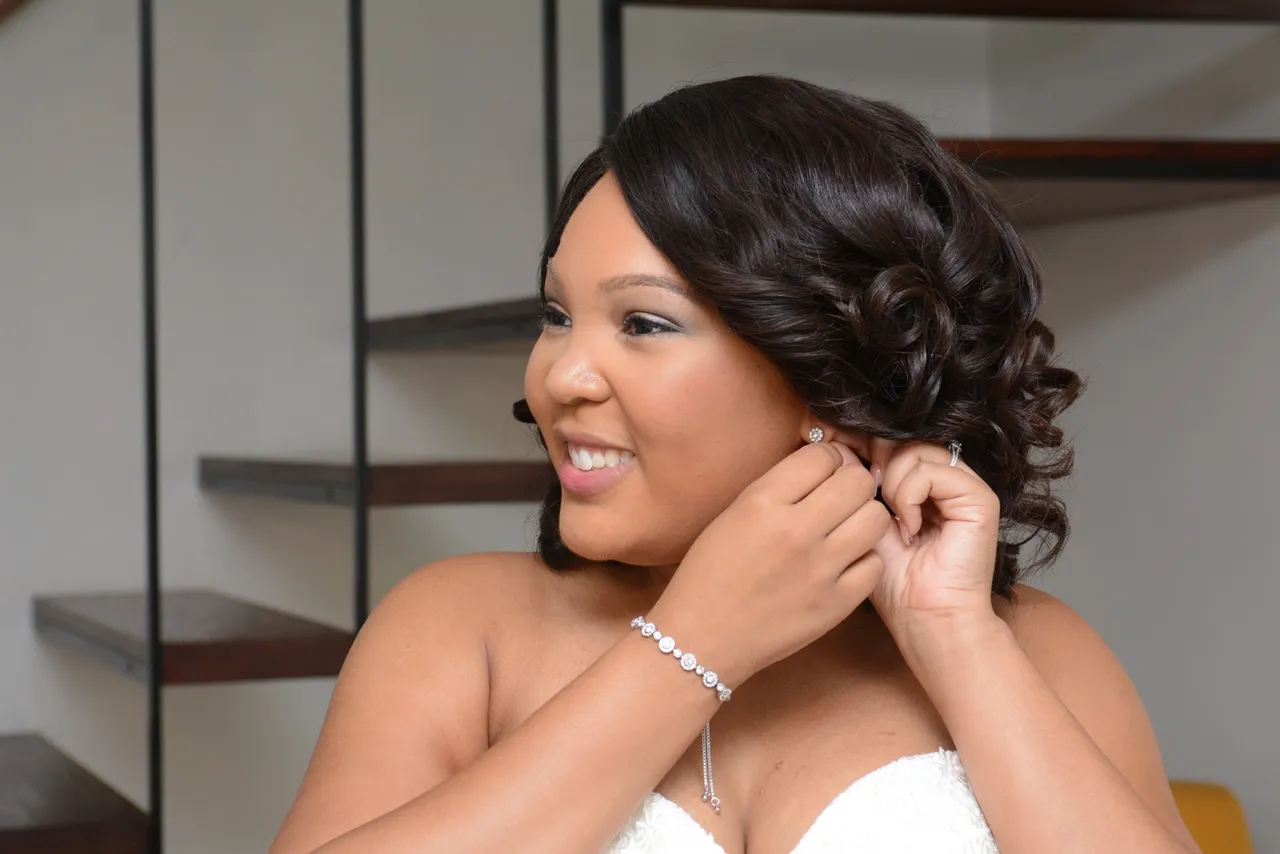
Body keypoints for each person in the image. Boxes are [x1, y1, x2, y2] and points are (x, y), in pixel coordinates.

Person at [268, 75, 1201, 854]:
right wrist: (694, 647)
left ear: (828, 373)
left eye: (642, 323)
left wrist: (953, 638)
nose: (560, 376)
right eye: (557, 315)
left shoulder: (1029, 647)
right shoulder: (456, 629)